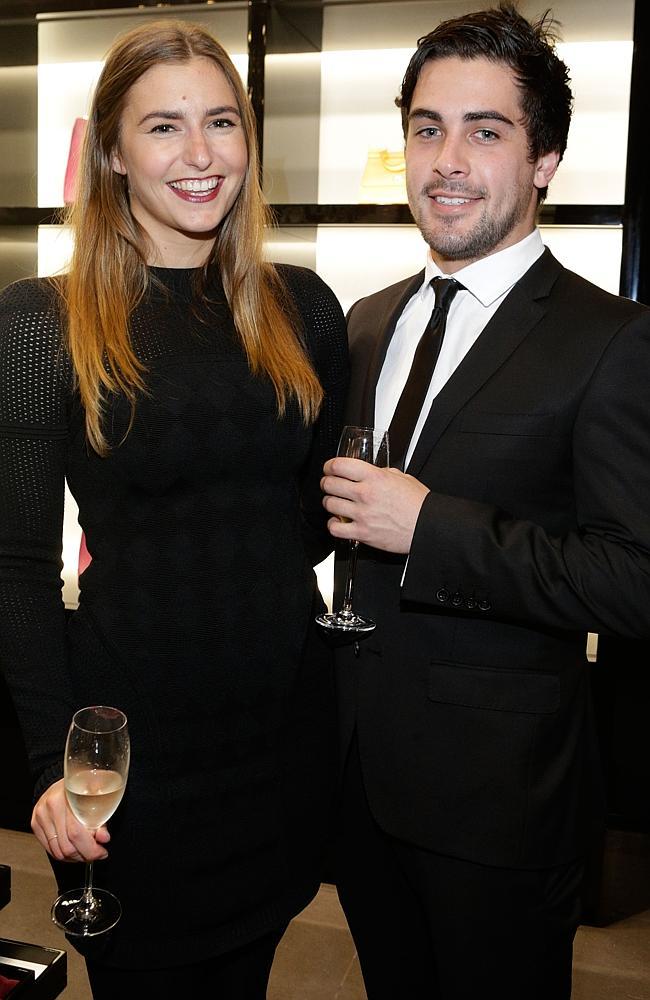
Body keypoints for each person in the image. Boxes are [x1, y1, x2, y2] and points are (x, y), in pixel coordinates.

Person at [0, 19, 348, 1000]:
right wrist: (44, 767)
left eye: (220, 122)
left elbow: (308, 518)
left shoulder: (303, 308)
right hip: (130, 768)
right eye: (163, 127)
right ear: (110, 150)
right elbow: (15, 563)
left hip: (276, 749)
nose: (200, 155)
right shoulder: (41, 322)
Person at [321, 4, 650, 999]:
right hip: (355, 777)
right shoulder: (366, 320)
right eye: (425, 128)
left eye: (484, 130)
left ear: (543, 159)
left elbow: (632, 580)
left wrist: (432, 528)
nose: (445, 159)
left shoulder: (609, 339)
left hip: (498, 807)